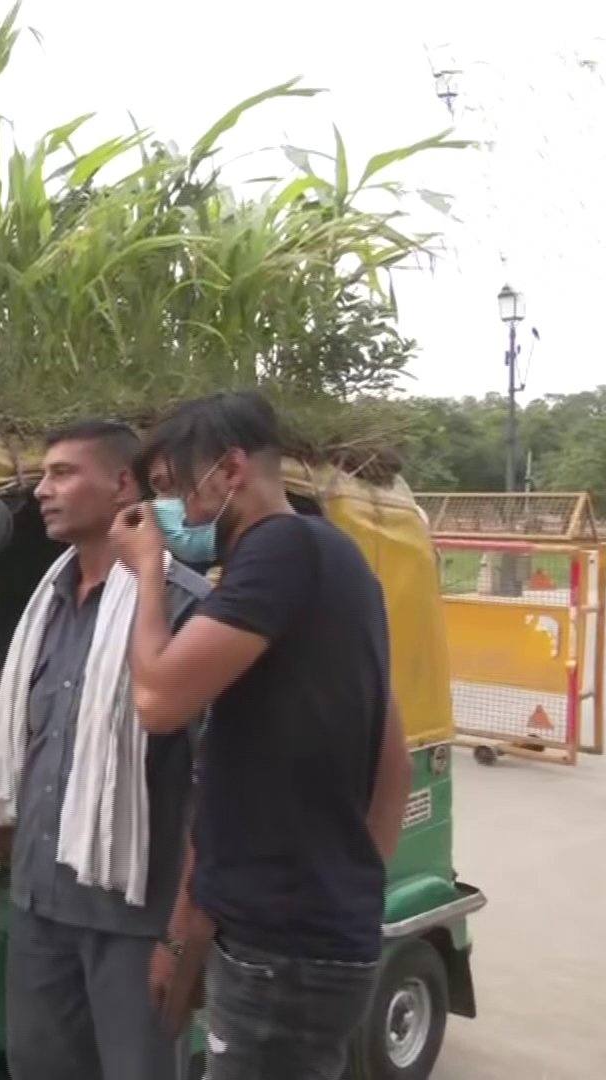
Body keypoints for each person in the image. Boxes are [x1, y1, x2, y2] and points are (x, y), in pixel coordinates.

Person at [112, 391, 412, 1080]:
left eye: (172, 492)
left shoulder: (281, 551)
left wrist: (150, 574)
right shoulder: (332, 560)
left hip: (287, 955)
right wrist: (344, 889)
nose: (170, 516)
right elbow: (388, 758)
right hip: (296, 939)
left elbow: (156, 699)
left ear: (230, 470)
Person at [0, 420, 212, 1080]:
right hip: (41, 912)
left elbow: (219, 794)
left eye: (63, 473)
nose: (44, 490)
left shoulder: (187, 612)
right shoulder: (43, 606)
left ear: (123, 485)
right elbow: (25, 754)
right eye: (43, 475)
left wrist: (182, 939)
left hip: (135, 926)